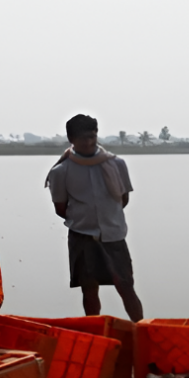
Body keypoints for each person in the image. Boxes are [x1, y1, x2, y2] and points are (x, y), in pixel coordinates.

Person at [46, 114, 144, 321]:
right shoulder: (61, 171)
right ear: (71, 139)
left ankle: (141, 329)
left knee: (126, 285)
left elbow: (122, 200)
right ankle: (94, 331)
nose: (89, 142)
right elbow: (61, 208)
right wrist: (86, 219)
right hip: (82, 236)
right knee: (89, 288)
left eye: (92, 136)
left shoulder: (117, 164)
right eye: (83, 138)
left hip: (114, 234)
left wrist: (106, 217)